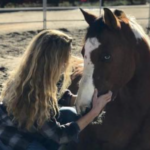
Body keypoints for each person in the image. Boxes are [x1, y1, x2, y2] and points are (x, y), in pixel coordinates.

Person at [0, 30, 112, 150]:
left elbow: (61, 95)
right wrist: (94, 112)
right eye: (65, 58)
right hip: (12, 136)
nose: (68, 62)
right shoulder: (34, 93)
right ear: (53, 61)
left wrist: (86, 100)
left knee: (70, 114)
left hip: (30, 126)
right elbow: (60, 136)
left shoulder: (43, 76)